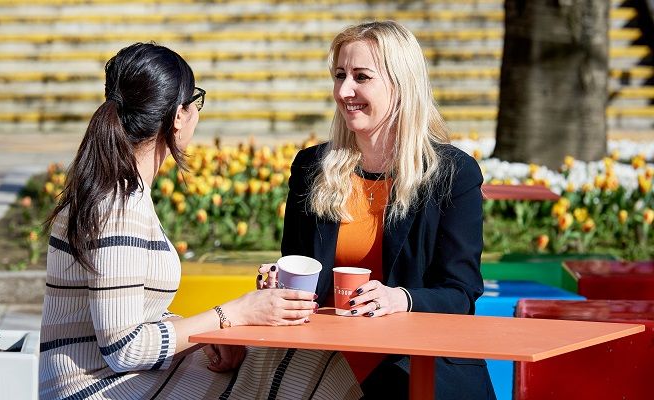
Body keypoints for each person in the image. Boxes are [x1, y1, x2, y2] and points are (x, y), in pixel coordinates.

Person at [38, 42, 362, 400]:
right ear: (178, 116)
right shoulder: (118, 206)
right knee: (305, 370)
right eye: (195, 101)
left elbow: (131, 315)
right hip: (95, 388)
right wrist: (231, 315)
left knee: (305, 363)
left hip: (114, 378)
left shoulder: (117, 191)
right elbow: (124, 348)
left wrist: (202, 336)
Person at [264, 22, 497, 399]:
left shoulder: (453, 173)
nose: (344, 91)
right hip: (324, 363)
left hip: (417, 363)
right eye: (339, 75)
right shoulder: (311, 167)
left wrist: (400, 298)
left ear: (401, 84)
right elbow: (300, 266)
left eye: (361, 77)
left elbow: (460, 292)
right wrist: (279, 280)